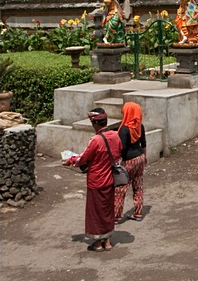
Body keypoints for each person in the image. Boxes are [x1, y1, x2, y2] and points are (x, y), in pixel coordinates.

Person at [62, 107, 122, 252]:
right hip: (110, 179)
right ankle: (107, 241)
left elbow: (83, 158)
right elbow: (118, 153)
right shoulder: (115, 136)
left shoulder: (95, 140)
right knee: (107, 210)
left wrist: (70, 160)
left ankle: (97, 243)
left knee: (95, 212)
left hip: (96, 181)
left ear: (94, 123)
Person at [114, 102, 147, 223]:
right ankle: (138, 213)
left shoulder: (124, 129)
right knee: (138, 187)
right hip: (140, 158)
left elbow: (121, 148)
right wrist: (145, 157)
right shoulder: (140, 126)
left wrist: (118, 163)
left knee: (120, 189)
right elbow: (143, 144)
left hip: (129, 161)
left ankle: (116, 217)